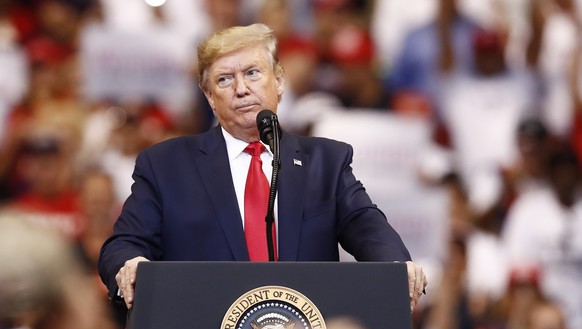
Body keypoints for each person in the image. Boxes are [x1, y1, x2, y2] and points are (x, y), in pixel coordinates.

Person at [98, 23, 427, 310]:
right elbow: (124, 244)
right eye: (225, 80)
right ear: (209, 96)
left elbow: (365, 223)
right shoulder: (165, 165)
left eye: (252, 73)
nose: (241, 89)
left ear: (279, 81)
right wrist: (130, 264)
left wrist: (395, 264)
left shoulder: (326, 163)